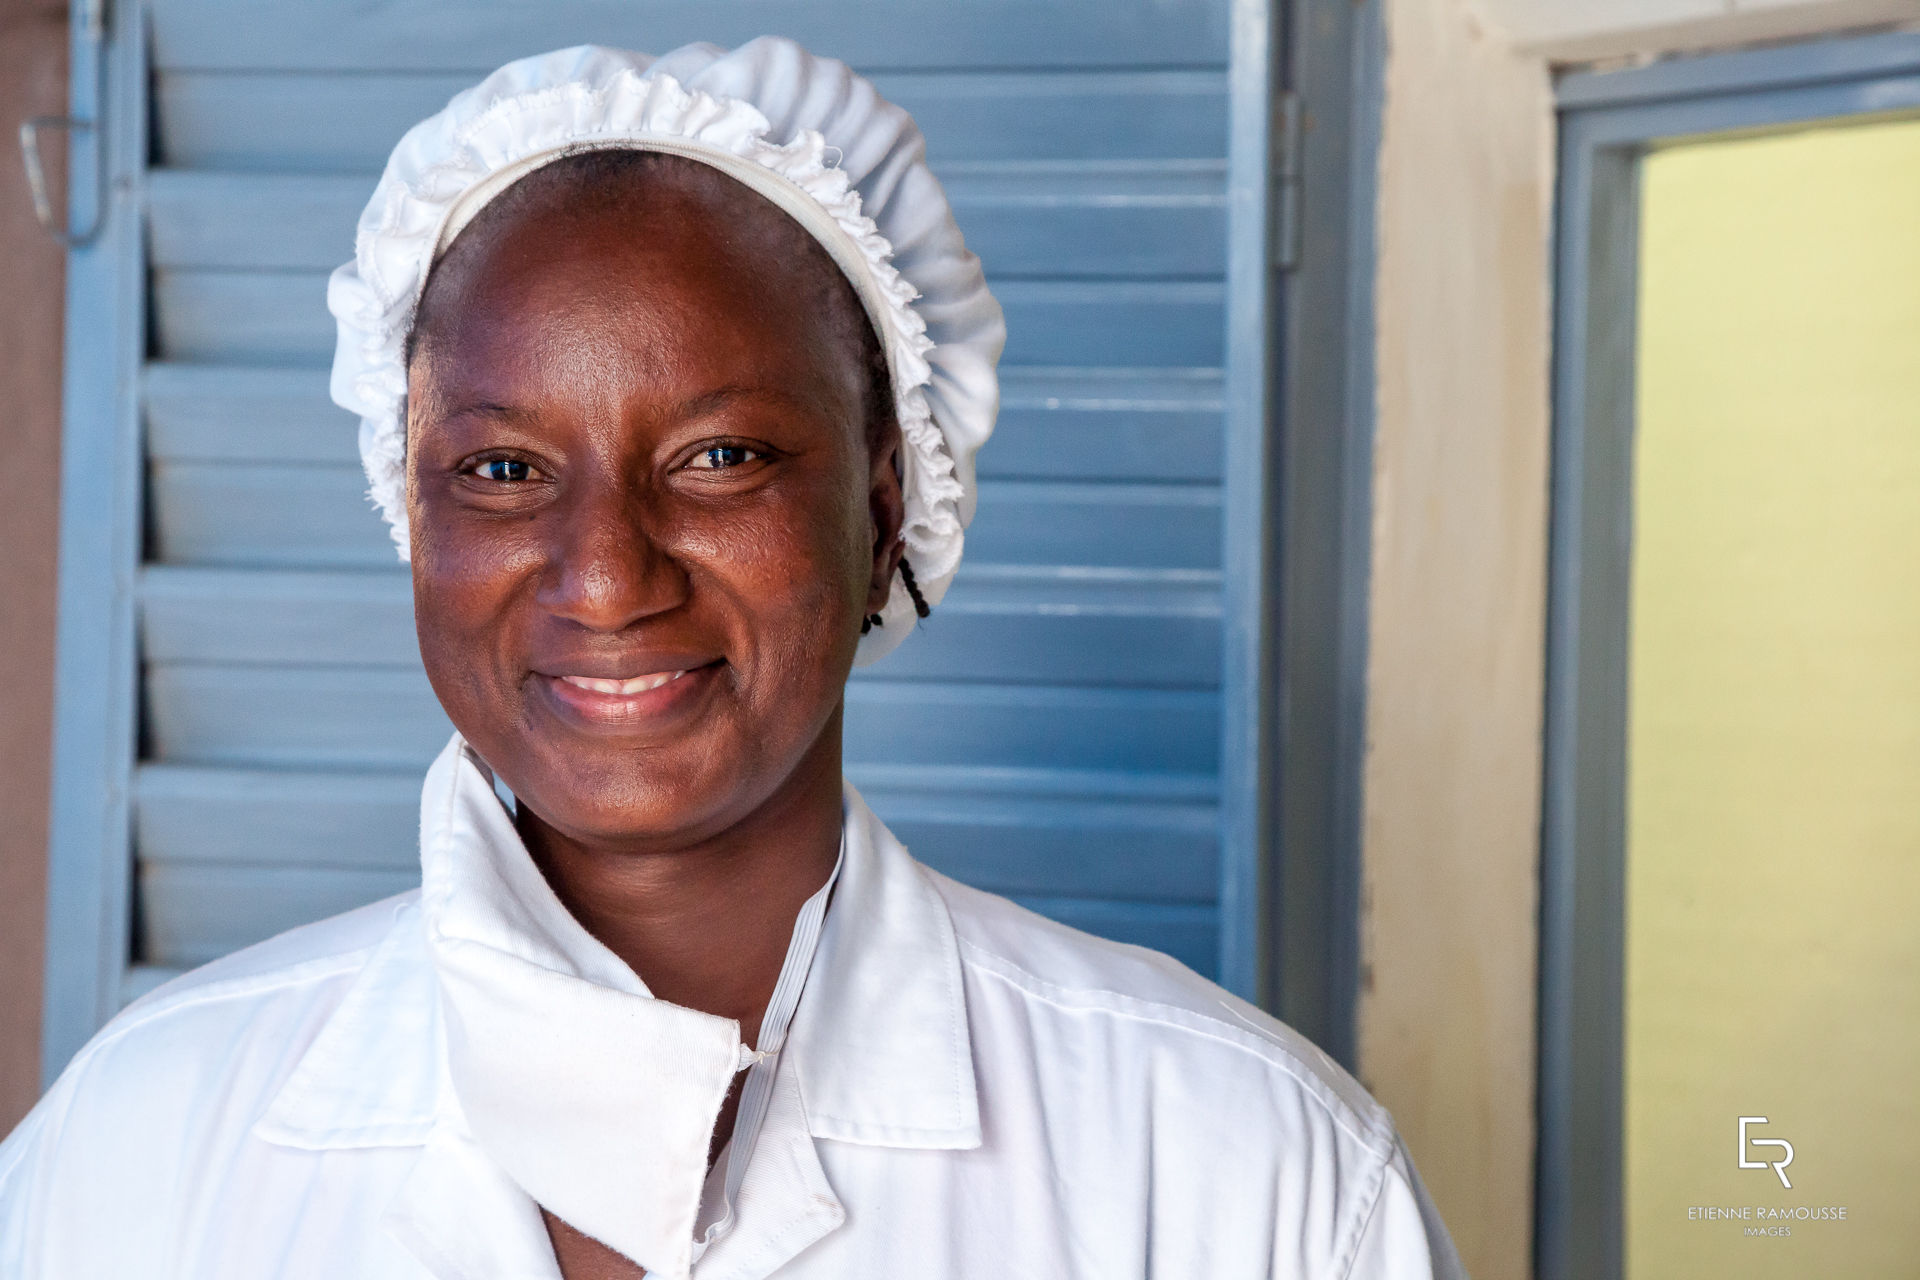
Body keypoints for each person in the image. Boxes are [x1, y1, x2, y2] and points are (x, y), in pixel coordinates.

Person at [0, 38, 1463, 1279]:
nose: (607, 573)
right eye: (503, 471)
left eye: (720, 456)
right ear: (411, 511)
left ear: (885, 504)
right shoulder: (142, 1145)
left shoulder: (1245, 1174)